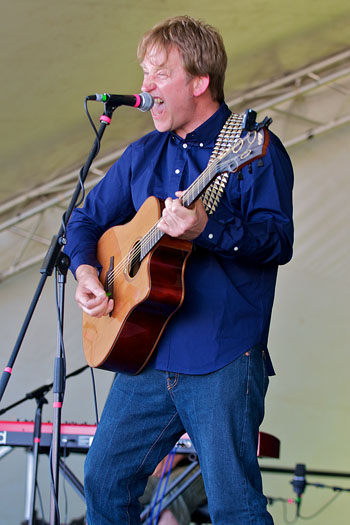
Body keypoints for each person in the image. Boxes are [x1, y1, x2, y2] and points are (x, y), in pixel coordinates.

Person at [65, 15, 294, 524]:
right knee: (104, 482)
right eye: (143, 74)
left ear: (199, 81)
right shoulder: (141, 153)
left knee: (235, 506)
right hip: (145, 355)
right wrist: (85, 272)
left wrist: (207, 228)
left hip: (222, 357)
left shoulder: (253, 148)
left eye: (159, 75)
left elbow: (278, 239)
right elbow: (82, 219)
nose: (144, 89)